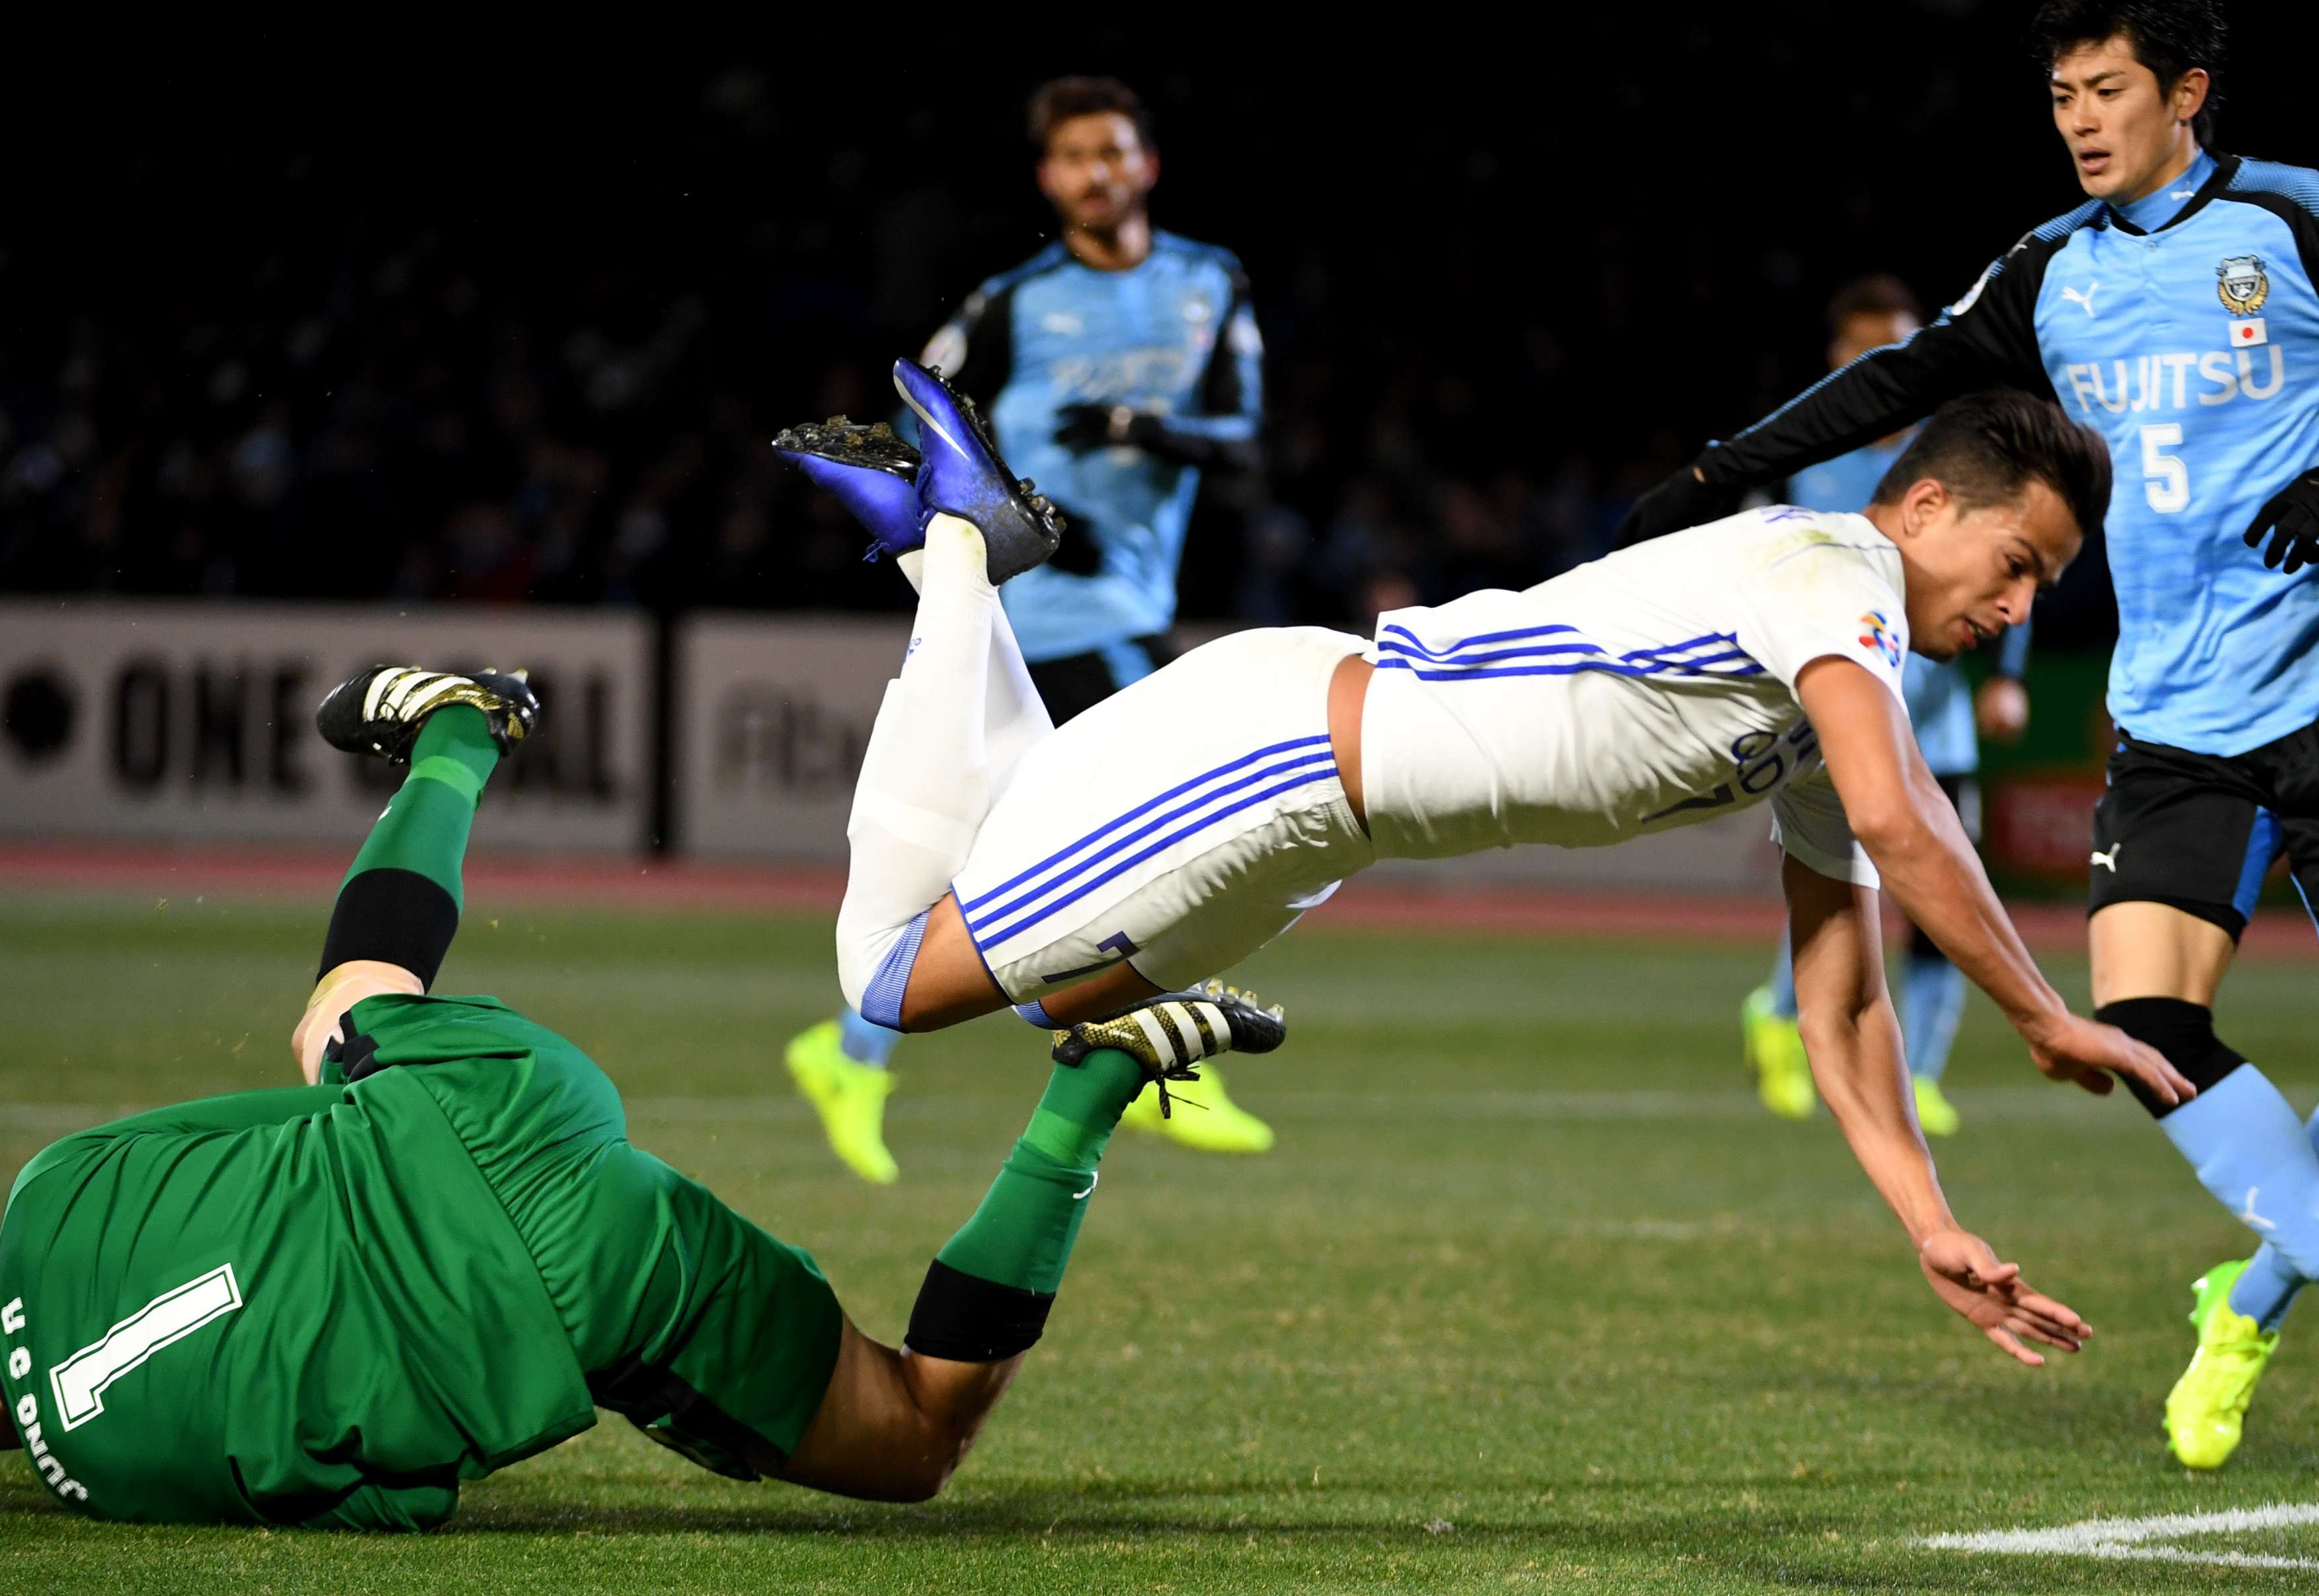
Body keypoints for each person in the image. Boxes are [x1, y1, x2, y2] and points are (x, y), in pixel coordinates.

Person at [785, 359, 2192, 1370]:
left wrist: (1928, 1219)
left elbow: (1844, 999)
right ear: (1929, 506)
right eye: (2017, 564)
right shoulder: (1836, 576)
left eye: (2042, 590)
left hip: (1307, 823)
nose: (2013, 608)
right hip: (1274, 764)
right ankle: (959, 555)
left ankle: (959, 553)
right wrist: (2047, 1016)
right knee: (892, 979)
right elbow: (1906, 819)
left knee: (1061, 998)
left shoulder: (1829, 691)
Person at [0, 665, 1284, 1527]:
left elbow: (400, 1491)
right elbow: (279, 1118)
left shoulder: (118, 1484)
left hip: (567, 1290)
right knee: (341, 1017)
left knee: (908, 1435)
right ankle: (460, 730)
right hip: (494, 1097)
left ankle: (1085, 1094)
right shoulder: (49, 1188)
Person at [1614, 0, 2319, 1471]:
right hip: (2180, 721)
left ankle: (2251, 1294)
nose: (2080, 120)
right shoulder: (2053, 272)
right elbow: (1898, 382)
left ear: (2187, 92)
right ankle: (2276, 1266)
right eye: (2062, 94)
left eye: (2109, 90)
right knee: (2146, 1027)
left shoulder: (2292, 219)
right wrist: (1718, 469)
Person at [786, 76, 1275, 1183]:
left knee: (1012, 851)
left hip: (1128, 596)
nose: (1095, 173)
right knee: (1177, 816)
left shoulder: (1210, 281)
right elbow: (923, 399)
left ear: (1147, 163)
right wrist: (1010, 512)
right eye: (1072, 157)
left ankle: (854, 1050)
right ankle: (1145, 1049)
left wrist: (1141, 428)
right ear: (1048, 179)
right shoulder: (1014, 301)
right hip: (1054, 605)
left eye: (1113, 151)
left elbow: (1245, 443)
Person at [1738, 278, 2036, 1135]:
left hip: (1937, 725)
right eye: (1862, 350)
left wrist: (2008, 673)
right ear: (1836, 360)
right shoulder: (1808, 461)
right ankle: (1783, 1018)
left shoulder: (1954, 460)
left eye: (1895, 348)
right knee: (1843, 890)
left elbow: (2010, 561)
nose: (1880, 365)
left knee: (1948, 902)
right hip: (1845, 723)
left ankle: (1925, 1074)